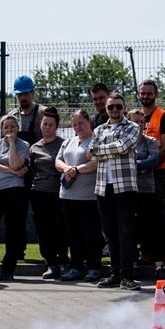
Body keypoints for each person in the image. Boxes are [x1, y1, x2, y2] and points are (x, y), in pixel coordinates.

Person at [90, 94, 144, 290]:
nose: (114, 110)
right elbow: (91, 151)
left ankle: (127, 276)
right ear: (106, 108)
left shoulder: (132, 127)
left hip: (125, 187)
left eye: (118, 107)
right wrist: (109, 149)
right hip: (103, 187)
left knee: (126, 233)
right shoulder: (98, 129)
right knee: (110, 234)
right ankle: (114, 274)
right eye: (111, 107)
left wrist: (101, 149)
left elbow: (124, 146)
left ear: (124, 108)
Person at [58, 108, 104, 283]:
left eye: (81, 123)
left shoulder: (96, 141)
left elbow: (96, 163)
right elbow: (58, 160)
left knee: (91, 234)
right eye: (75, 124)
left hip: (89, 196)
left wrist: (76, 169)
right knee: (73, 233)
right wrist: (66, 168)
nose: (78, 127)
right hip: (68, 195)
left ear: (89, 122)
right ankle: (76, 266)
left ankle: (94, 267)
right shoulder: (69, 141)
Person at [0, 113, 31, 281]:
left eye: (13, 127)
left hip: (14, 190)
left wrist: (12, 143)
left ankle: (7, 270)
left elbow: (16, 163)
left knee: (13, 230)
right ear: (1, 129)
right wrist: (11, 172)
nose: (9, 130)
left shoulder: (23, 145)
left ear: (18, 128)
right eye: (6, 127)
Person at [137, 79, 165, 268]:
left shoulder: (164, 117)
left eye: (149, 93)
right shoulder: (136, 118)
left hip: (160, 174)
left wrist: (150, 167)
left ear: (156, 94)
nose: (145, 96)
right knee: (145, 217)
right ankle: (147, 252)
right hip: (142, 176)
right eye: (143, 93)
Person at [27, 106, 68, 280]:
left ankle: (63, 261)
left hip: (58, 194)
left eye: (51, 124)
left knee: (59, 229)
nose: (47, 127)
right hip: (38, 194)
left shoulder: (63, 144)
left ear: (56, 126)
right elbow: (31, 170)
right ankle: (51, 263)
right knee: (43, 231)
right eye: (44, 124)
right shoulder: (34, 148)